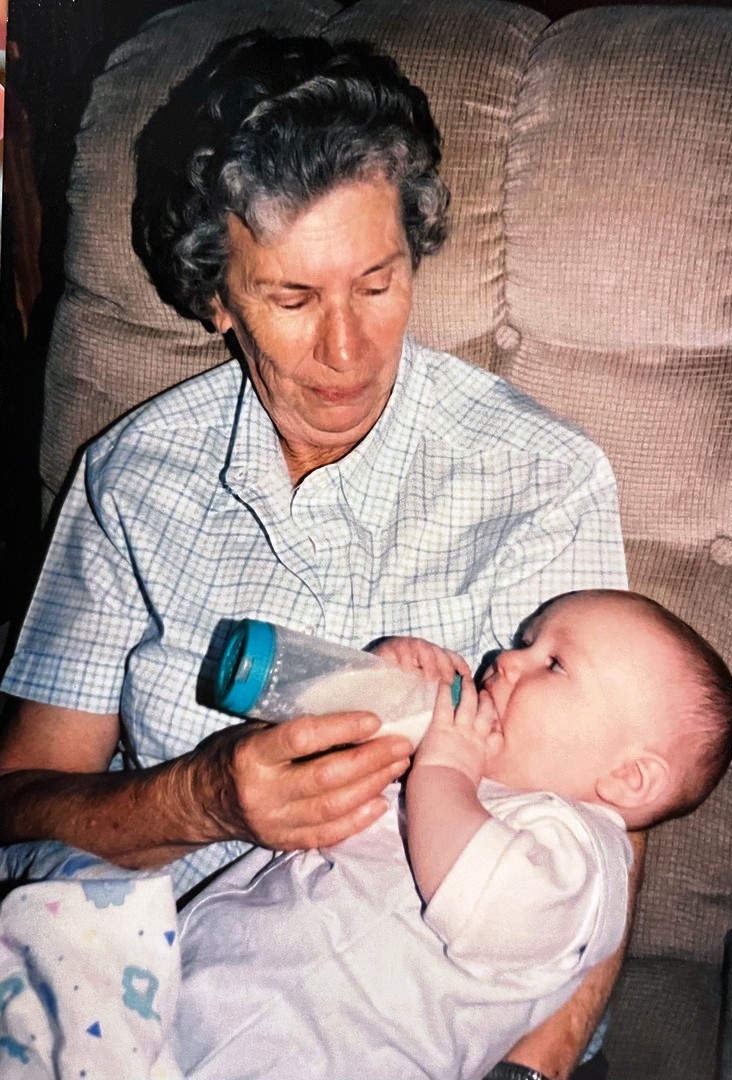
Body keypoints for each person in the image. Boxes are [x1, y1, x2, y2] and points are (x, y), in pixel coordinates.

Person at [0, 32, 629, 1079]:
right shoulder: (132, 480)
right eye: (291, 299)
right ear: (216, 296)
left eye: (376, 284)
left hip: (421, 1032)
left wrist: (537, 1068)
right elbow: (21, 795)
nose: (346, 350)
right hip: (133, 1005)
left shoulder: (541, 480)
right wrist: (201, 800)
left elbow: (612, 815)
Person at [0, 590, 732, 1080]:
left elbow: (478, 891)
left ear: (628, 779)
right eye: (523, 641)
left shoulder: (581, 853)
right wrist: (377, 681)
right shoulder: (464, 780)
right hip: (173, 1000)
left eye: (552, 664)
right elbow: (320, 776)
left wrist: (446, 763)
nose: (504, 660)